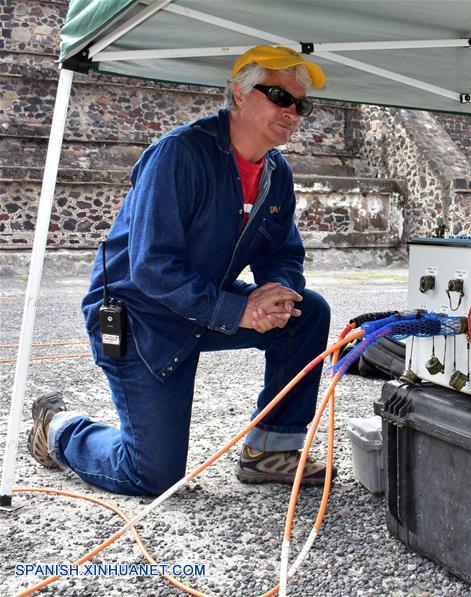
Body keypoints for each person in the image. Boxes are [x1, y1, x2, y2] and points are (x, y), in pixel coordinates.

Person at [26, 46, 333, 496]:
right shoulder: (179, 154)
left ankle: (270, 450)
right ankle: (59, 428)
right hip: (140, 317)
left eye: (300, 105)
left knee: (307, 313)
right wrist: (238, 310)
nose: (292, 112)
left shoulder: (275, 171)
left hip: (202, 305)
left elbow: (283, 252)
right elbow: (151, 267)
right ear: (240, 94)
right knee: (153, 477)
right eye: (279, 96)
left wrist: (277, 292)